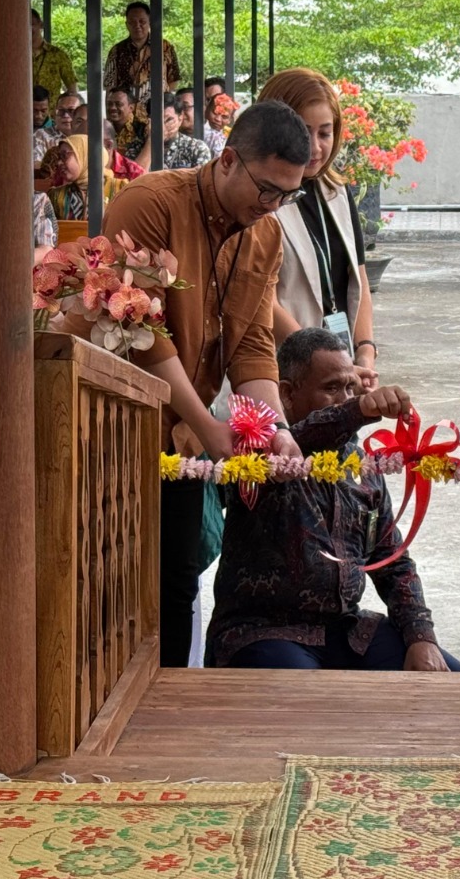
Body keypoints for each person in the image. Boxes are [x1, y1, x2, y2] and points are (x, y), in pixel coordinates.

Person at [101, 100, 311, 667]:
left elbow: (250, 342)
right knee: (106, 578)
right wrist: (207, 426)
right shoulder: (149, 202)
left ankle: (164, 715)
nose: (272, 206)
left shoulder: (264, 233)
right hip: (113, 424)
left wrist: (277, 428)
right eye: (267, 189)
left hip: (183, 437)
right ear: (227, 160)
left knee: (176, 581)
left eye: (288, 195)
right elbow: (139, 327)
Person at [208, 328, 460, 672]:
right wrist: (358, 409)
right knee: (313, 703)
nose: (344, 398)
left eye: (350, 388)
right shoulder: (260, 452)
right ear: (286, 394)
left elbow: (394, 563)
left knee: (450, 678)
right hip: (264, 633)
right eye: (331, 388)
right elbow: (310, 432)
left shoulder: (364, 468)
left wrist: (421, 638)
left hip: (346, 633)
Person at [259, 67, 378, 389]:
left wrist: (365, 352)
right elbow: (260, 299)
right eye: (303, 132)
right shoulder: (260, 198)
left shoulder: (336, 192)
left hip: (342, 374)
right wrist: (322, 363)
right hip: (288, 376)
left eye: (324, 133)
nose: (314, 148)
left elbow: (360, 280)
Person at [45, 134, 142, 221]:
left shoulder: (121, 189)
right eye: (59, 157)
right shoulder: (56, 197)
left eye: (64, 156)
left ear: (85, 155)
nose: (59, 163)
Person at [105, 0, 181, 103]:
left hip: (156, 110)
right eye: (132, 22)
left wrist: (165, 101)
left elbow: (174, 79)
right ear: (127, 24)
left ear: (150, 22)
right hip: (125, 112)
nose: (137, 25)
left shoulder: (164, 47)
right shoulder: (117, 50)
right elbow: (110, 86)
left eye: (142, 21)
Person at [31, 8, 78, 105]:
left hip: (51, 114)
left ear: (41, 24)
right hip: (22, 112)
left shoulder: (58, 54)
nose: (29, 28)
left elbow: (72, 87)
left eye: (32, 24)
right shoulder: (16, 57)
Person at [159, 95, 213, 170]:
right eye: (157, 121)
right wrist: (151, 141)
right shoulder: (141, 144)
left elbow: (201, 179)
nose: (163, 126)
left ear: (180, 118)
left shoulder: (196, 148)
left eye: (169, 120)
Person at [107, 86, 150, 166]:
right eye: (109, 104)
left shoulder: (143, 130)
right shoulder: (104, 128)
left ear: (131, 108)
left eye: (118, 104)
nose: (112, 108)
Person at [204, 80, 237, 158]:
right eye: (215, 113)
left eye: (224, 116)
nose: (218, 119)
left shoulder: (231, 134)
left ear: (230, 119)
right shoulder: (200, 131)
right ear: (207, 111)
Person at [33, 85, 63, 165]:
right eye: (34, 111)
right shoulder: (19, 129)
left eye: (43, 111)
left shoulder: (58, 130)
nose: (38, 116)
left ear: (49, 108)